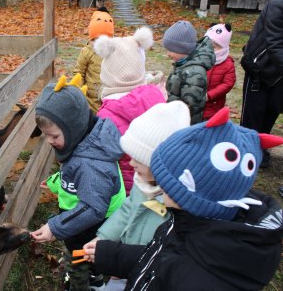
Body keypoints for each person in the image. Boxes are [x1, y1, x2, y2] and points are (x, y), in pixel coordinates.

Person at [83, 107, 283, 290]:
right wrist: (112, 254)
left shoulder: (196, 278)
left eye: (168, 182)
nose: (163, 186)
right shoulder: (183, 224)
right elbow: (159, 257)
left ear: (189, 194)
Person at [31, 74, 125, 291]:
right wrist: (57, 182)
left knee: (80, 259)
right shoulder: (84, 141)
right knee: (86, 255)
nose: (49, 141)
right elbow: (74, 177)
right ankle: (92, 274)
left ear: (73, 128)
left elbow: (93, 207)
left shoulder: (90, 164)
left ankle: (84, 284)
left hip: (91, 225)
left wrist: (54, 227)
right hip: (83, 219)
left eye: (53, 136)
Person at [92, 101, 191, 291]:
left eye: (139, 159)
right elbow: (128, 208)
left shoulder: (178, 205)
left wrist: (121, 259)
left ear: (162, 164)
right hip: (125, 260)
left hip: (151, 272)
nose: (131, 164)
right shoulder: (142, 181)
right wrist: (104, 239)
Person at [94, 26, 166, 194]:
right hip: (157, 184)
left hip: (123, 190)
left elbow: (101, 158)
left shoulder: (105, 115)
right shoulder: (158, 99)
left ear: (107, 73)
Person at [240, 0, 283, 168]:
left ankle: (260, 147)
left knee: (271, 110)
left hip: (279, 74)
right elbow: (275, 43)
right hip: (260, 68)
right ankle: (245, 150)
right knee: (252, 115)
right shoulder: (278, 5)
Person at [162, 20, 215, 124]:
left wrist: (167, 99)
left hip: (185, 124)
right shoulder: (184, 64)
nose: (168, 54)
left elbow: (189, 106)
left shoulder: (194, 73)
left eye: (171, 50)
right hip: (176, 118)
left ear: (183, 49)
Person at [73, 7, 114, 113]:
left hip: (110, 96)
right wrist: (81, 93)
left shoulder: (114, 50)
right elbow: (78, 73)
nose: (99, 43)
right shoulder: (87, 51)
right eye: (95, 40)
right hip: (91, 99)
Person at [203, 23, 236, 120]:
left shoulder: (228, 64)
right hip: (196, 103)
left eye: (216, 47)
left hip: (213, 105)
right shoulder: (200, 57)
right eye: (209, 45)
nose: (212, 50)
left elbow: (228, 84)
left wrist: (210, 95)